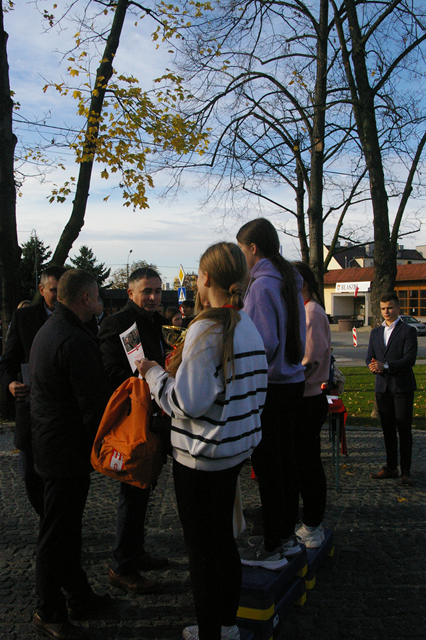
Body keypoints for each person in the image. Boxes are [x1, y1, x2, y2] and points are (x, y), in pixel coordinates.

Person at [136, 242, 268, 640]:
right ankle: (226, 626)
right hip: (233, 450)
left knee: (201, 551)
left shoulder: (207, 329)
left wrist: (154, 374)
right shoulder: (246, 324)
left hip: (200, 456)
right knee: (223, 542)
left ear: (205, 277)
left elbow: (187, 402)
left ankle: (212, 631)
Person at [29, 269, 111, 640]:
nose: (100, 302)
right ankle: (48, 611)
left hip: (53, 445)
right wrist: (107, 447)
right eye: (97, 295)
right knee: (57, 533)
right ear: (84, 298)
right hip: (65, 450)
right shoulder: (73, 338)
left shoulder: (54, 329)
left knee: (67, 529)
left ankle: (79, 595)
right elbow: (93, 404)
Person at [236, 217, 306, 567]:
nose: (241, 258)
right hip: (292, 381)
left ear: (253, 248)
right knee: (286, 463)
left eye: (241, 250)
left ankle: (272, 543)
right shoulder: (288, 280)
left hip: (272, 387)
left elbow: (263, 343)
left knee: (269, 468)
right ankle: (287, 535)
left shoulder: (263, 285)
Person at [98, 267, 169, 594]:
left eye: (157, 291)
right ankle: (122, 565)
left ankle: (135, 552)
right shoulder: (119, 324)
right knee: (132, 490)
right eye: (147, 291)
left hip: (155, 418)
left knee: (144, 489)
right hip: (133, 422)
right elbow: (110, 373)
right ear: (130, 293)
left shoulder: (156, 322)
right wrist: (147, 378)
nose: (153, 297)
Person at [0, 266, 67, 516]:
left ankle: (57, 524)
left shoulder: (79, 316)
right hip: (30, 411)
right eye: (53, 290)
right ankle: (45, 517)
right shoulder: (24, 318)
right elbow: (7, 362)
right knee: (30, 473)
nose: (59, 296)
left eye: (63, 290)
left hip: (63, 413)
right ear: (41, 290)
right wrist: (10, 384)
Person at [293, 261, 331, 548]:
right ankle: (309, 521)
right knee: (304, 463)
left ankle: (313, 524)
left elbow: (310, 358)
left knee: (308, 465)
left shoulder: (311, 312)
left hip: (307, 398)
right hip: (305, 397)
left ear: (302, 284)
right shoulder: (307, 310)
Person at [367, 292, 417, 486]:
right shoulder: (375, 332)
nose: (386, 312)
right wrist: (372, 365)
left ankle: (406, 471)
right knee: (387, 430)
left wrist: (386, 366)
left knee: (403, 429)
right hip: (382, 387)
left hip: (402, 387)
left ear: (398, 308)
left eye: (389, 308)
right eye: (383, 308)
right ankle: (391, 467)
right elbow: (370, 356)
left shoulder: (408, 331)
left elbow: (409, 359)